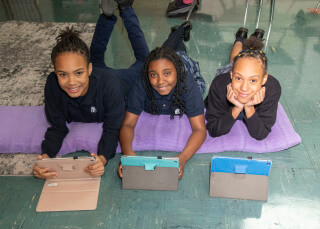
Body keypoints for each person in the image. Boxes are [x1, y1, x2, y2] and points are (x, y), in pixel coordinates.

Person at [33, 0, 149, 179]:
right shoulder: (52, 85)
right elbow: (57, 127)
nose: (71, 82)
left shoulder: (111, 86)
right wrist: (45, 158)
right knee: (95, 57)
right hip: (95, 75)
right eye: (63, 74)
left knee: (144, 62)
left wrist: (102, 158)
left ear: (88, 69)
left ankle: (126, 8)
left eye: (78, 73)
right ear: (55, 73)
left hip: (114, 80)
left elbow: (112, 130)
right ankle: (107, 16)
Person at [118, 22, 207, 179]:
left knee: (180, 53)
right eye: (153, 75)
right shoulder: (140, 83)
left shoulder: (188, 85)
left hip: (185, 64)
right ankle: (176, 33)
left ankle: (178, 34)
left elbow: (200, 129)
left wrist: (182, 158)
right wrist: (128, 154)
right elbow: (127, 124)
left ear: (177, 73)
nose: (160, 81)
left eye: (167, 74)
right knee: (163, 54)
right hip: (169, 61)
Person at [205, 27, 281, 140]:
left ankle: (247, 39)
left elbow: (260, 134)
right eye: (238, 78)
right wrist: (237, 108)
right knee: (233, 61)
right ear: (231, 76)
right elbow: (214, 130)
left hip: (240, 70)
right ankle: (240, 38)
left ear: (264, 79)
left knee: (241, 61)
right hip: (229, 70)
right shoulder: (220, 84)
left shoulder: (272, 88)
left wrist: (249, 107)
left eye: (253, 80)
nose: (244, 88)